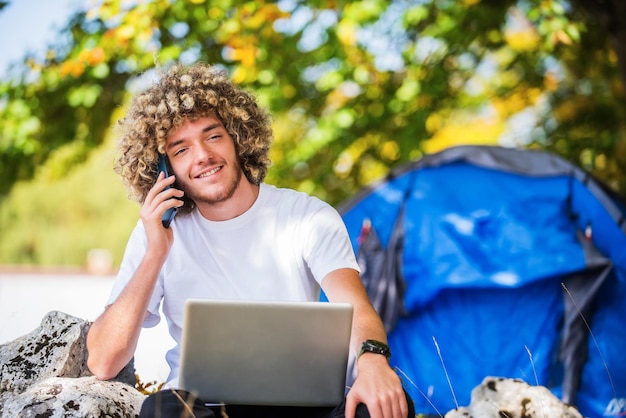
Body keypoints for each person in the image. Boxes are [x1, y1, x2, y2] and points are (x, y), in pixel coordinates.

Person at [86, 62, 415, 418]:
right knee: (163, 410)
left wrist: (373, 360)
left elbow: (356, 308)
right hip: (207, 409)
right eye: (180, 150)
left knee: (385, 405)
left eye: (213, 136)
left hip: (306, 407)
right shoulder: (155, 235)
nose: (202, 156)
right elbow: (104, 361)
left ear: (239, 139)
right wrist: (156, 253)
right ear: (163, 169)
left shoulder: (308, 216)